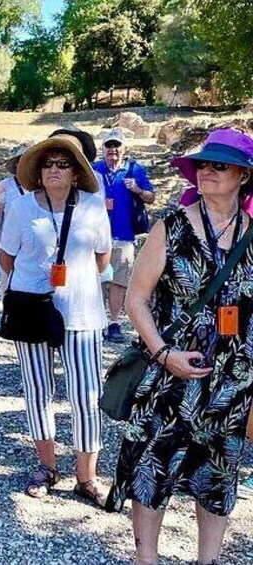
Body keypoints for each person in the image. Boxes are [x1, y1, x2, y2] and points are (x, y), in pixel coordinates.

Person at [106, 129, 253, 565]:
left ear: (243, 176)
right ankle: (145, 558)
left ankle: (207, 561)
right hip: (170, 371)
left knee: (219, 474)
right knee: (153, 466)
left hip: (232, 379)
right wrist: (162, 353)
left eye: (219, 165)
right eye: (203, 164)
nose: (207, 170)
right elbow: (135, 298)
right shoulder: (170, 227)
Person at [0, 133, 111, 505]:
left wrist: (73, 283)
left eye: (63, 164)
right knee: (37, 391)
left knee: (86, 396)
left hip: (81, 313)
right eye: (47, 163)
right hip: (32, 309)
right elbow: (7, 257)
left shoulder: (94, 207)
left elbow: (102, 258)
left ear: (77, 173)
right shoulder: (21, 207)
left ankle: (87, 476)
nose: (54, 170)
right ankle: (47, 466)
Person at [93, 128, 155, 343]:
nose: (113, 150)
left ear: (124, 148)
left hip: (124, 235)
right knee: (97, 279)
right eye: (108, 145)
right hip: (96, 235)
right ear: (103, 149)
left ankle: (114, 322)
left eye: (116, 145)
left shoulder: (134, 169)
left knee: (119, 281)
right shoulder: (95, 169)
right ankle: (97, 319)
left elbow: (151, 197)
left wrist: (137, 189)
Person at [0, 145, 29, 291]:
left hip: (32, 243)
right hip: (7, 242)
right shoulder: (6, 185)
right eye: (22, 160)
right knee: (7, 283)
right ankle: (8, 312)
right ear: (17, 163)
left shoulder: (41, 186)